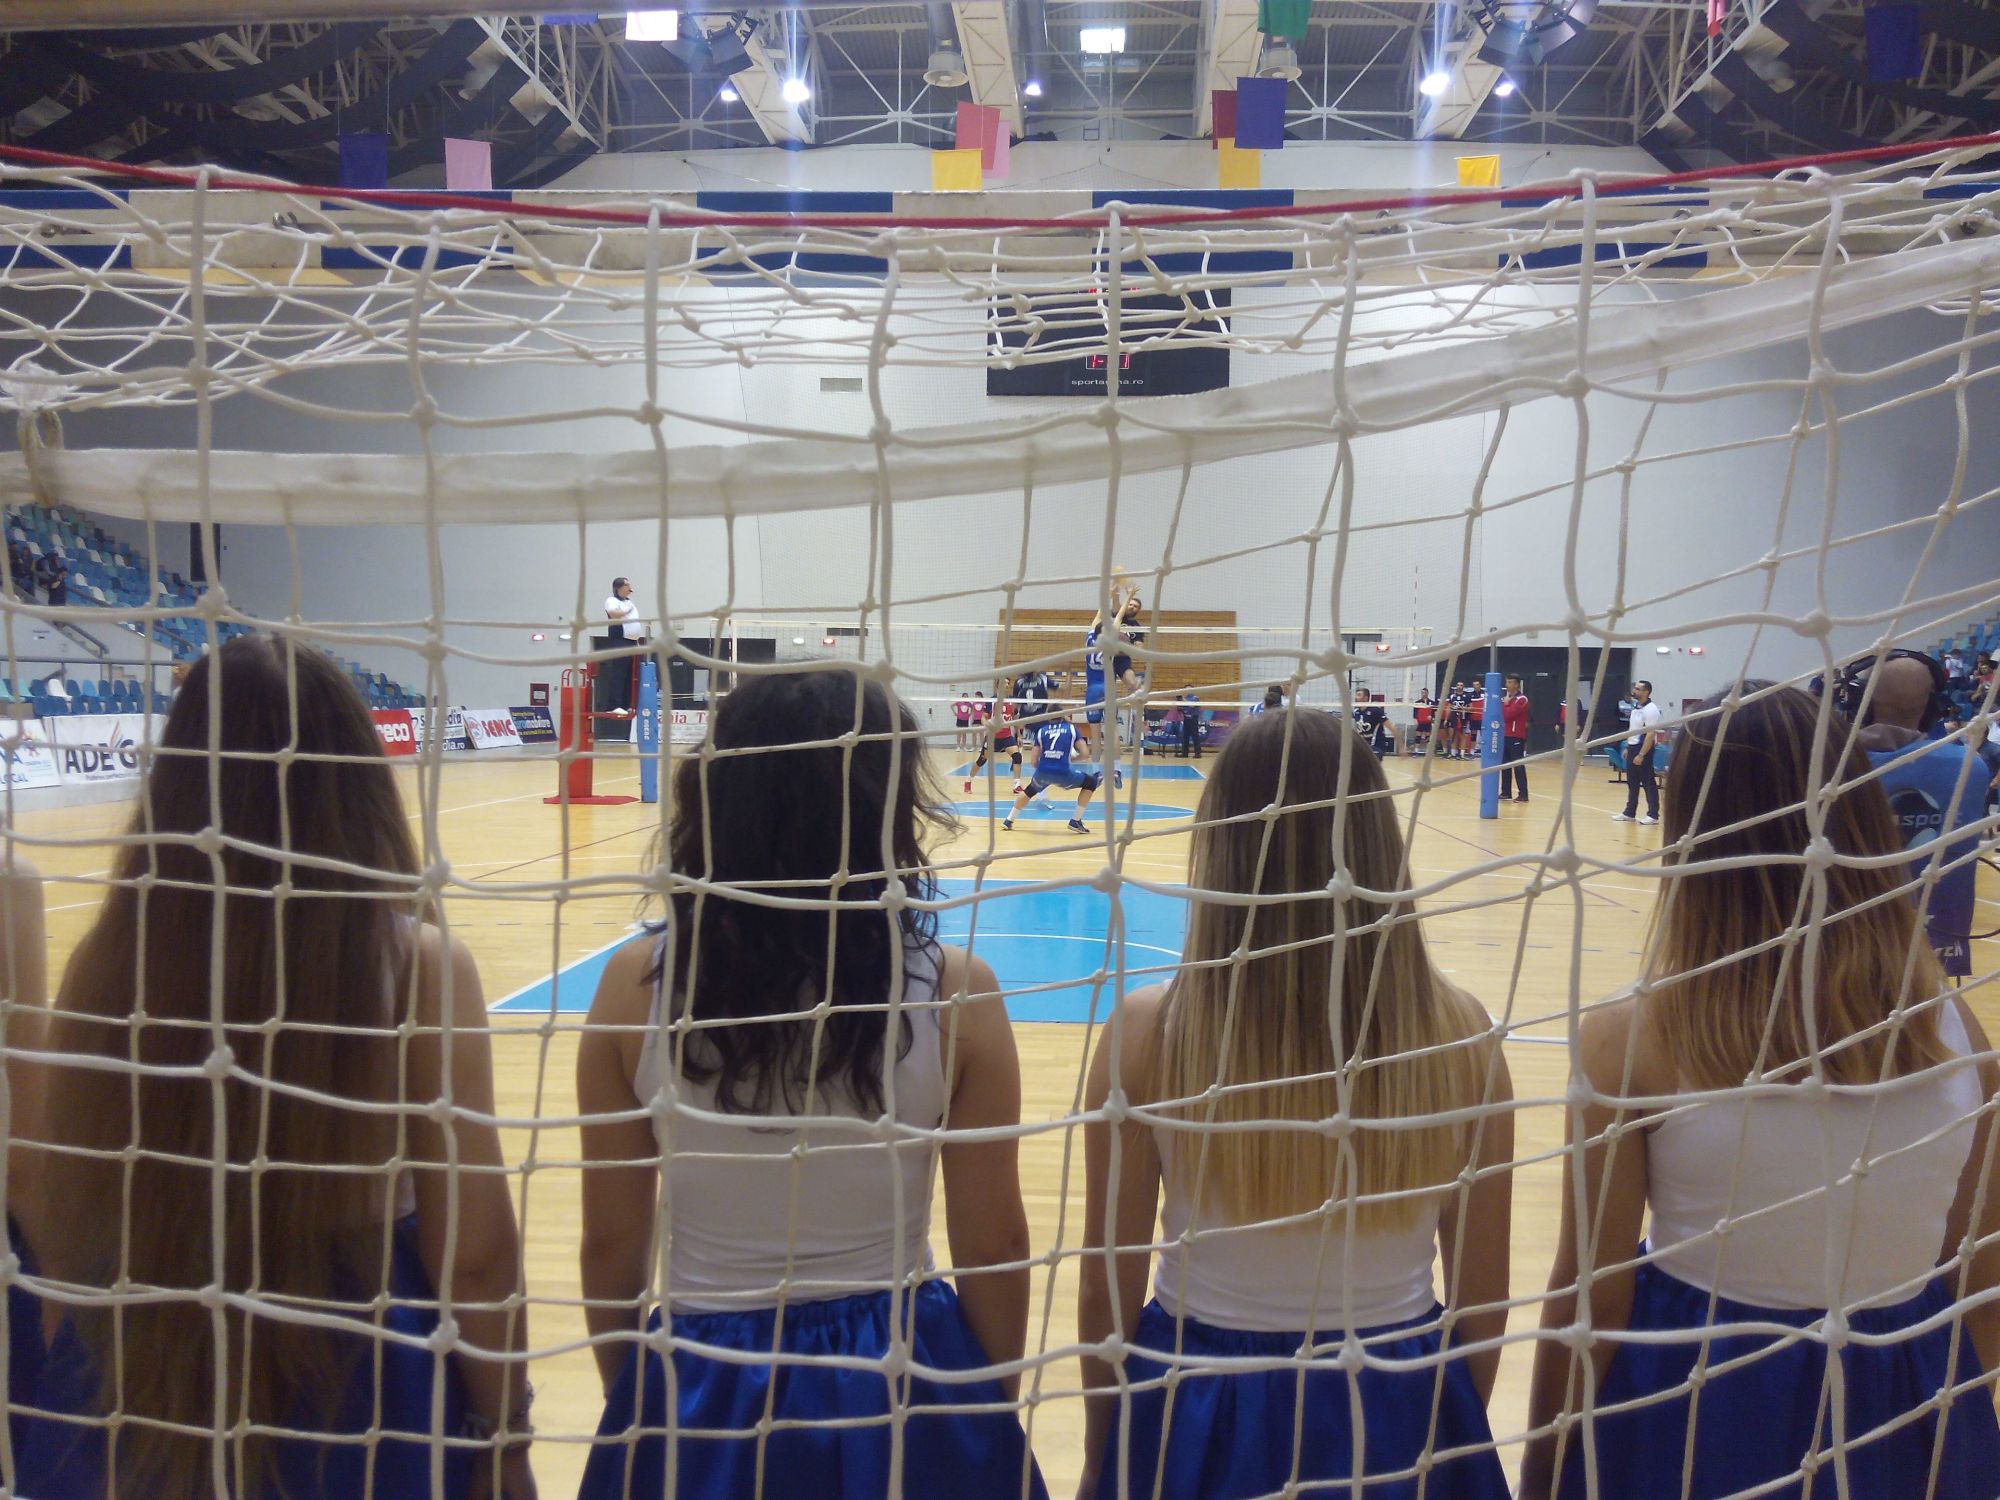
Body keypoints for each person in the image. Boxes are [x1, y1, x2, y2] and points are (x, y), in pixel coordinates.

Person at [8, 637, 535, 1500]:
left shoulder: (105, 964)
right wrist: (505, 1438)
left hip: (140, 1364)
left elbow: (64, 1209)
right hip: (357, 1378)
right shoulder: (417, 966)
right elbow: (474, 1255)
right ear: (355, 780)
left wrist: (74, 1355)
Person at [1521, 682, 2000, 1500]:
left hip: (1700, 1397)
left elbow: (1590, 1300)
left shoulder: (1630, 1037)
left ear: (1693, 834)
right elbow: (1980, 1283)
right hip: (1901, 1390)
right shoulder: (1960, 1033)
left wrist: (1542, 1475)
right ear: (1862, 821)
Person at [576, 668, 1044, 1500]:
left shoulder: (633, 986)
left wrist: (635, 1399)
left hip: (704, 1373)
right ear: (885, 807)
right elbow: (995, 1246)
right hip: (898, 1368)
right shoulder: (955, 990)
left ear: (714, 798)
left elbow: (612, 1246)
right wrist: (981, 1419)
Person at [1077, 708, 1513, 1500]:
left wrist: (1102, 1455)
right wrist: (1441, 1427)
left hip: (1200, 1403)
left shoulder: (1149, 1033)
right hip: (1394, 1400)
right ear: (1379, 842)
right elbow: (1484, 1301)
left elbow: (1105, 1290)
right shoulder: (1462, 1035)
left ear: (1220, 846)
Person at [1843, 653, 1984, 980]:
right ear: (1931, 708)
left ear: (1862, 703)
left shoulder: (1837, 765)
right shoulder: (1969, 767)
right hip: (1938, 942)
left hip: (1849, 937)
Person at [1001, 710, 1101, 834]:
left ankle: (1009, 820)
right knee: (1091, 782)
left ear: (1048, 717)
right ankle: (1075, 820)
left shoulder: (1042, 731)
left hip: (1043, 771)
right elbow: (1085, 754)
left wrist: (1045, 769)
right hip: (1063, 773)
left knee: (1029, 791)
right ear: (1063, 716)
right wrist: (1070, 759)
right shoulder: (1071, 729)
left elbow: (1033, 762)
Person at [1084, 591, 1144, 788]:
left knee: (1095, 735)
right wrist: (1128, 596)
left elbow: (1100, 615)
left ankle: (1096, 773)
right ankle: (1116, 771)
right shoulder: (1111, 646)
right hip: (1108, 689)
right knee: (1113, 732)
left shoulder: (1088, 639)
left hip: (1092, 690)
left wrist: (1108, 596)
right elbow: (1118, 617)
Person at [1611, 679, 1662, 825]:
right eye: (1635, 688)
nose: (1635, 691)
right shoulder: (1635, 707)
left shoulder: (1651, 709)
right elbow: (1633, 729)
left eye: (1638, 689)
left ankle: (1653, 815)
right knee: (1632, 782)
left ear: (1646, 692)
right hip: (1633, 747)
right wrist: (1628, 746)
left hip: (1643, 749)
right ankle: (1629, 812)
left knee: (1648, 781)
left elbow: (1650, 734)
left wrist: (1641, 754)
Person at [966, 682, 1025, 795]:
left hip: (1007, 737)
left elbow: (1015, 719)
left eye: (1007, 684)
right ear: (998, 686)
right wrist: (987, 725)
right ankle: (968, 781)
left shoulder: (1012, 701)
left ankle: (1017, 785)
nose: (1006, 685)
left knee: (1017, 757)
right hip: (993, 737)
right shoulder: (991, 701)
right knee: (981, 760)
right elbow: (983, 717)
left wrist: (1019, 735)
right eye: (1004, 683)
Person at [600, 576, 643, 715]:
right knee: (618, 673)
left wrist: (636, 641)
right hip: (620, 640)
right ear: (618, 588)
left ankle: (625, 704)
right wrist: (626, 612)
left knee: (630, 674)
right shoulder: (612, 601)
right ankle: (613, 705)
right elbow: (613, 614)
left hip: (632, 642)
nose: (630, 588)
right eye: (627, 585)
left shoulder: (629, 602)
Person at [1500, 676, 1530, 801]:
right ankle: (1506, 792)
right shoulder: (1507, 698)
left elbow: (1508, 715)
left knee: (1518, 766)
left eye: (1510, 682)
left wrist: (1506, 703)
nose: (1507, 684)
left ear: (1517, 685)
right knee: (1505, 765)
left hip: (1516, 736)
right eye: (1506, 682)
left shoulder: (1522, 699)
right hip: (1505, 735)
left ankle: (1523, 794)